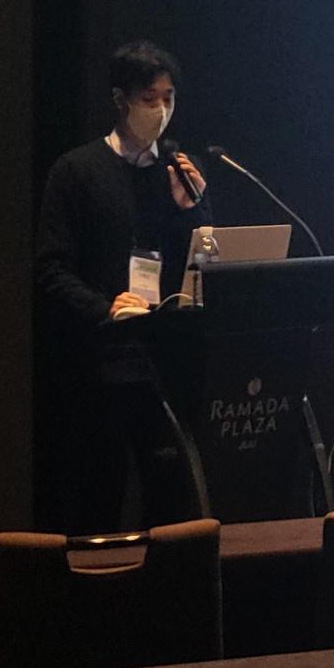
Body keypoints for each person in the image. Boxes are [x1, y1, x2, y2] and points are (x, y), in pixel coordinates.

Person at [33, 39, 211, 532]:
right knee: (98, 498)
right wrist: (105, 308)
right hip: (99, 361)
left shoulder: (180, 171)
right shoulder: (77, 170)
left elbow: (205, 262)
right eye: (149, 99)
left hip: (167, 360)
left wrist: (191, 211)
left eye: (169, 98)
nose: (161, 111)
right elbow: (50, 270)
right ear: (120, 100)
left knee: (172, 500)